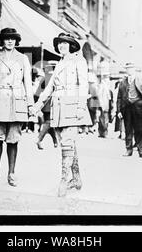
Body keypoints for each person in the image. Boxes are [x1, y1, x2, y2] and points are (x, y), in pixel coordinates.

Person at [32, 33, 92, 197]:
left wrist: (81, 106)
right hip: (58, 108)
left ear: (71, 46)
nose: (62, 46)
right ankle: (77, 178)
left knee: (67, 144)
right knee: (68, 144)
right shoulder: (60, 63)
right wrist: (38, 104)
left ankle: (64, 181)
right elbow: (50, 87)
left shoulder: (79, 61)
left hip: (73, 106)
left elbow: (84, 84)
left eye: (65, 43)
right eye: (60, 44)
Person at [0, 28, 34, 187]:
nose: (10, 41)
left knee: (13, 139)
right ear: (2, 41)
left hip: (16, 101)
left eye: (13, 38)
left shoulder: (23, 58)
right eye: (7, 39)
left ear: (16, 41)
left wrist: (30, 104)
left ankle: (11, 173)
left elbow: (28, 83)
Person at [116, 62, 142, 157]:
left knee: (139, 129)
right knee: (128, 129)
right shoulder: (123, 82)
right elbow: (119, 98)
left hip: (138, 108)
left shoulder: (140, 79)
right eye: (127, 68)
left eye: (131, 68)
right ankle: (128, 150)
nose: (129, 70)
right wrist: (118, 111)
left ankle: (141, 150)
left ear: (134, 69)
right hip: (126, 108)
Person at [36, 62, 58, 150]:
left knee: (49, 123)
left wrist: (37, 104)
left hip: (45, 105)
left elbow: (37, 93)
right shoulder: (55, 78)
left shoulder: (44, 79)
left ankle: (55, 141)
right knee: (49, 122)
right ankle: (39, 139)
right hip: (53, 104)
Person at [97, 74, 114, 138]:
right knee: (103, 120)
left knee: (104, 119)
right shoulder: (103, 86)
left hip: (106, 105)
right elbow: (99, 96)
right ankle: (103, 133)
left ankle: (103, 133)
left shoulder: (106, 87)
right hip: (103, 105)